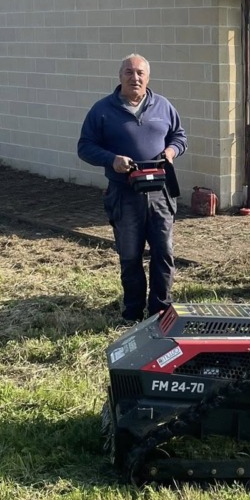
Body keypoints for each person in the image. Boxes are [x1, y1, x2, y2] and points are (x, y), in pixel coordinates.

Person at [78, 54, 187, 321]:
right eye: (129, 72)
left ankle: (161, 312)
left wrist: (171, 151)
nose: (134, 77)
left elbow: (179, 136)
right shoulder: (102, 110)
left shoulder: (163, 106)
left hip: (160, 192)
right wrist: (111, 159)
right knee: (130, 256)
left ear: (148, 77)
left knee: (163, 253)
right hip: (124, 194)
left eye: (140, 73)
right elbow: (85, 147)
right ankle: (133, 312)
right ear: (120, 76)